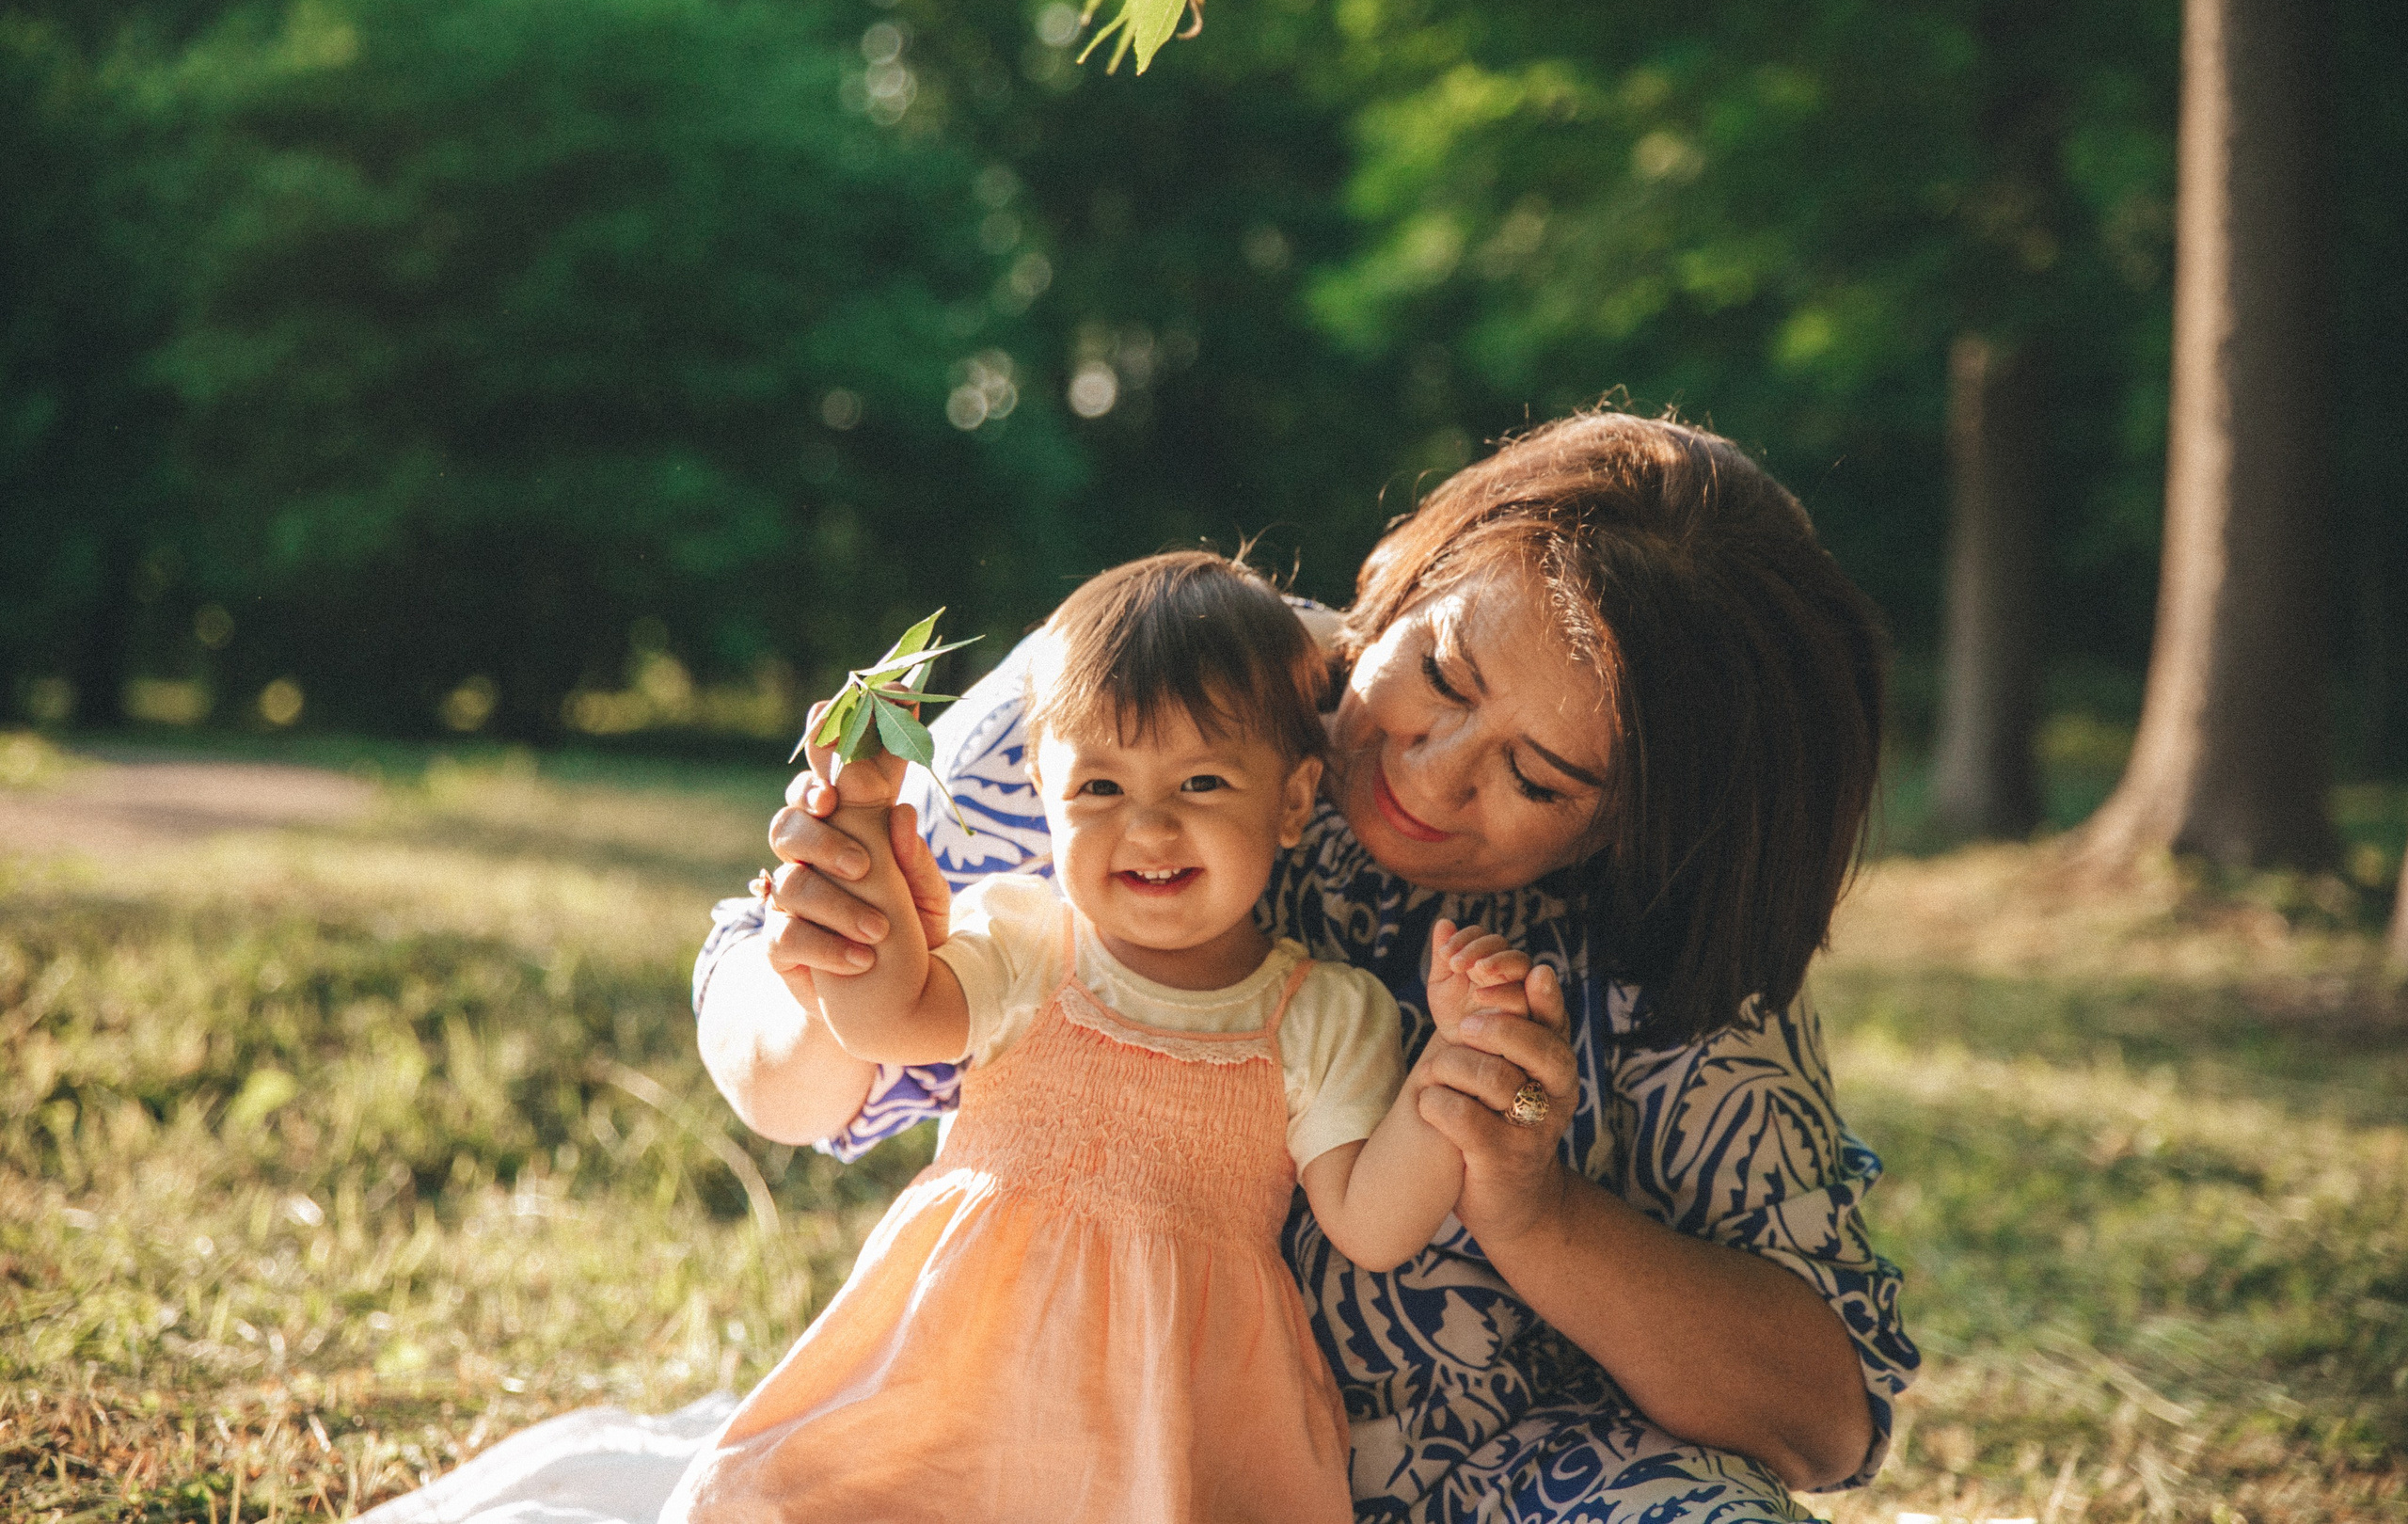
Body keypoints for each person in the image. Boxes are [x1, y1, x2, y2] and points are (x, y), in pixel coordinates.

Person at [694, 411, 1922, 1522]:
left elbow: (1817, 1418)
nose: (1430, 772)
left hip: (1488, 1478)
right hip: (1049, 1426)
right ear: (1419, 572)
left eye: (1538, 777)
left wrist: (1531, 1206)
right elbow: (801, 1079)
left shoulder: (1676, 938)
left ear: (1643, 822)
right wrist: (832, 951)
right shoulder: (1164, 689)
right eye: (1441, 670)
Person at [667, 552, 1546, 1524]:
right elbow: (883, 1021)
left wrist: (1451, 1068)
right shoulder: (1027, 942)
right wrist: (867, 833)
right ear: (1043, 794)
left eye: (1202, 781)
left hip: (1175, 1412)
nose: (1148, 825)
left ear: (1292, 800)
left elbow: (1372, 1227)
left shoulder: (1321, 1012)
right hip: (961, 1369)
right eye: (1097, 790)